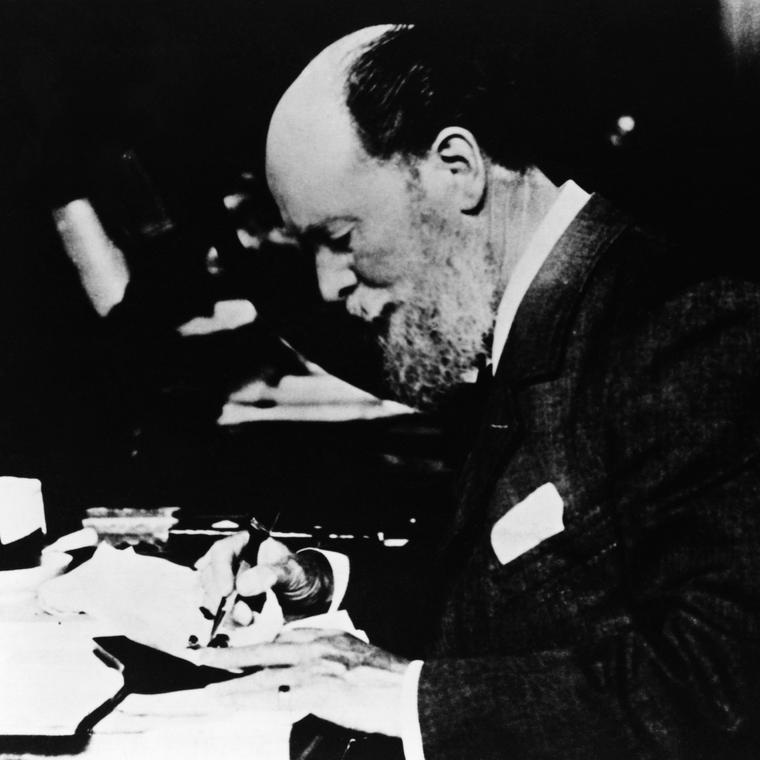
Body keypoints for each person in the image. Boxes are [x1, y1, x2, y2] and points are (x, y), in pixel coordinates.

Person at [194, 24, 760, 759]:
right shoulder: (536, 321)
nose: (328, 287)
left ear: (456, 168)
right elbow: (516, 592)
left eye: (338, 238)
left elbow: (720, 690)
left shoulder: (688, 327)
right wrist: (326, 581)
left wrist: (402, 696)